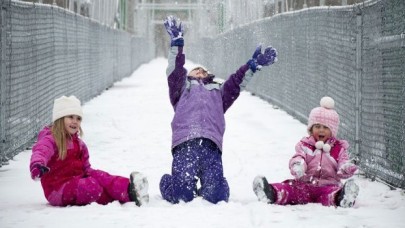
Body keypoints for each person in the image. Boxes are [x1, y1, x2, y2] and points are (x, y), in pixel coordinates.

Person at [159, 15, 278, 204]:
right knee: (182, 196)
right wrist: (177, 43)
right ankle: (168, 182)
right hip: (185, 143)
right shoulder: (181, 89)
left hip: (211, 145)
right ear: (188, 75)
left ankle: (215, 185)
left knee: (217, 197)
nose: (200, 72)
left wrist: (252, 66)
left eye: (204, 71)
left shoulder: (218, 93)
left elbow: (236, 82)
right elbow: (175, 69)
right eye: (195, 70)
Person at [29, 95, 149, 207]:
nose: (75, 121)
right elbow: (41, 151)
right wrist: (37, 165)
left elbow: (86, 169)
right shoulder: (51, 139)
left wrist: (101, 177)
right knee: (92, 186)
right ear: (60, 119)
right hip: (57, 189)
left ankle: (129, 190)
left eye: (78, 118)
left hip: (77, 182)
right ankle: (119, 195)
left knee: (101, 177)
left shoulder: (80, 145)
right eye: (70, 117)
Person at [253, 96, 360, 208]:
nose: (321, 130)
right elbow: (299, 156)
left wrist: (348, 167)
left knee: (330, 195)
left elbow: (342, 167)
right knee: (290, 190)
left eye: (325, 127)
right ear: (311, 128)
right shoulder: (305, 145)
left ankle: (342, 198)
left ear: (332, 131)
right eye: (317, 126)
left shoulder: (338, 149)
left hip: (327, 186)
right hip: (304, 185)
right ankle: (271, 193)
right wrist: (298, 165)